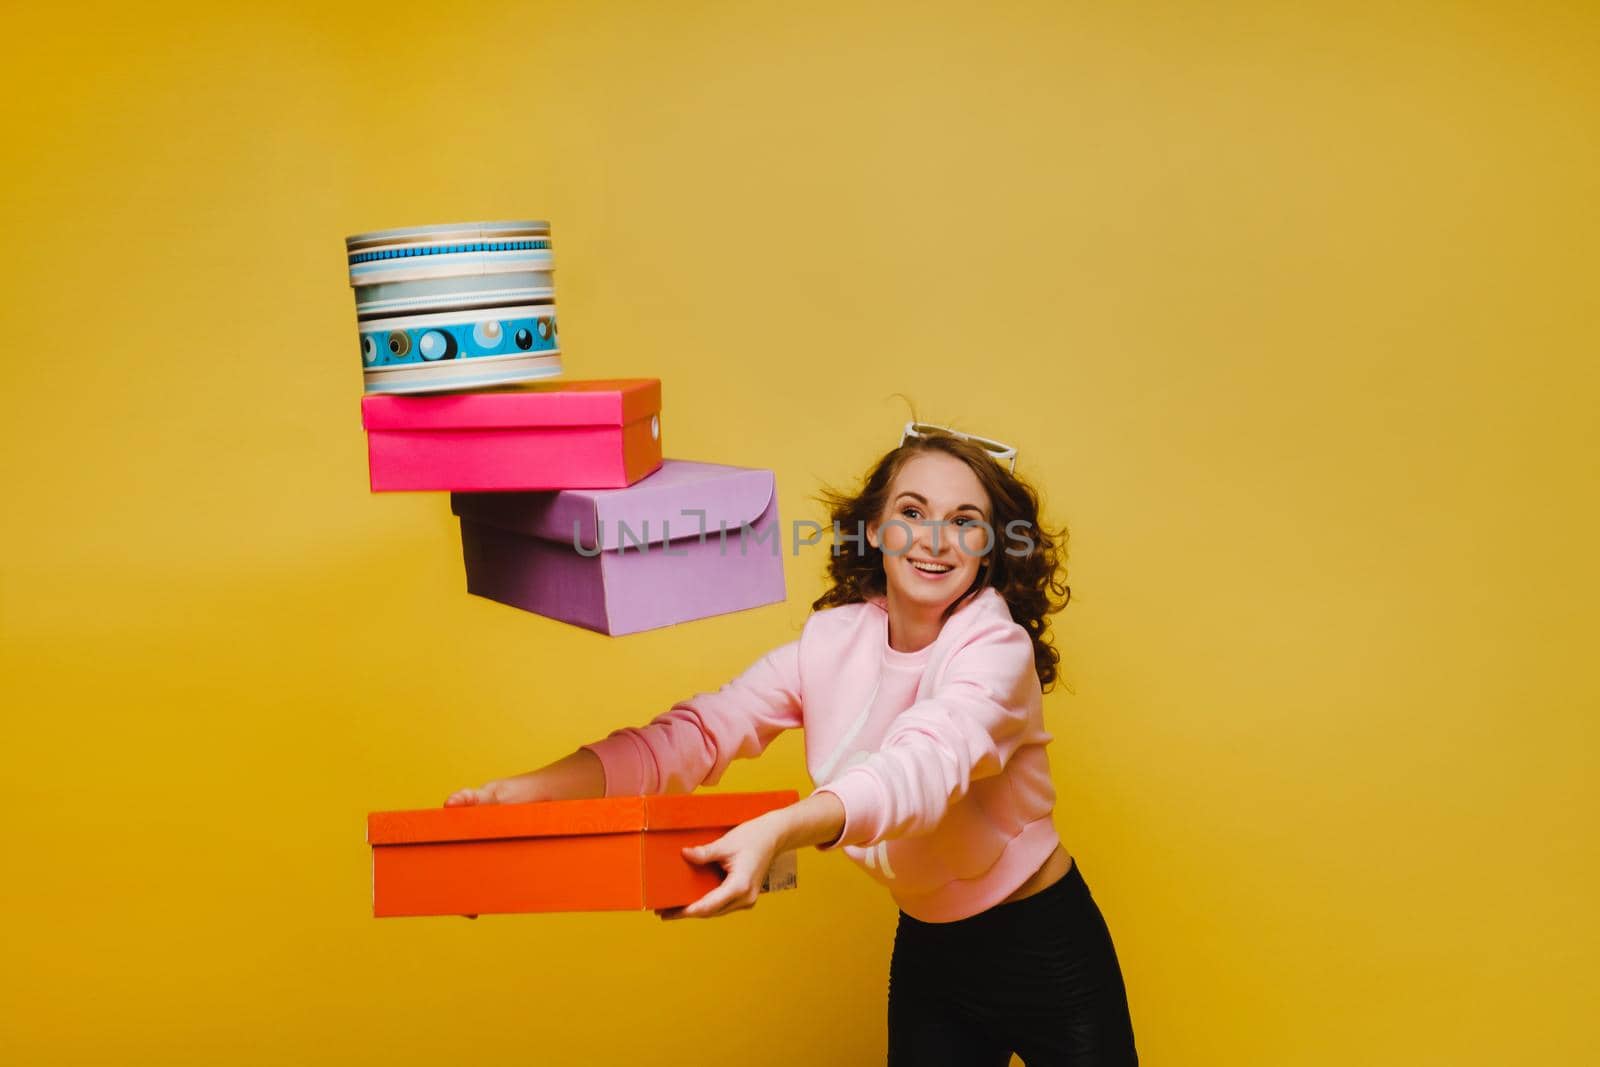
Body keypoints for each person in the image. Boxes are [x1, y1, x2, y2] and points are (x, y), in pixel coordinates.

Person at [446, 423, 1139, 1065]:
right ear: (874, 529)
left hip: (1047, 951)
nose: (935, 539)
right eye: (913, 512)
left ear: (991, 546)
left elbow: (919, 768)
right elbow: (692, 735)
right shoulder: (831, 644)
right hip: (931, 951)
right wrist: (521, 794)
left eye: (965, 521)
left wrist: (780, 829)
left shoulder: (996, 647)